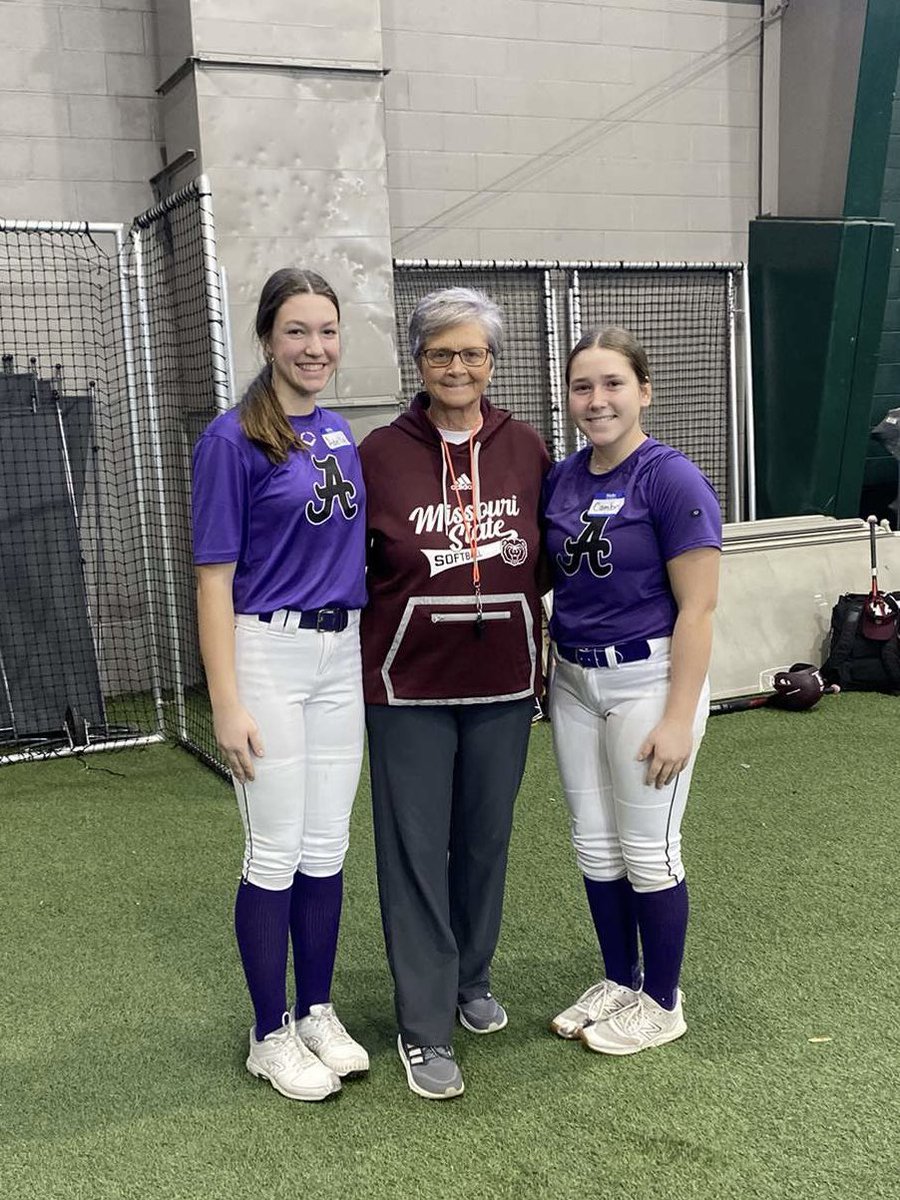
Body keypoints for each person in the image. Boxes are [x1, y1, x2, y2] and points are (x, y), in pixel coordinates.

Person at [360, 287, 550, 1099]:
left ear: (492, 362)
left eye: (472, 352)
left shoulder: (527, 448)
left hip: (503, 683)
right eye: (441, 353)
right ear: (419, 361)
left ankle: (471, 977)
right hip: (406, 687)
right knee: (414, 854)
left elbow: (545, 559)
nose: (457, 367)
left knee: (483, 842)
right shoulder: (378, 453)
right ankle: (425, 1025)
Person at [191, 268, 369, 1102]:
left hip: (342, 653)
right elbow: (213, 582)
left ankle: (316, 1011)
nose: (314, 348)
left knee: (326, 846)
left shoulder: (338, 430)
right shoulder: (231, 440)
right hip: (267, 652)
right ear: (266, 338)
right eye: (297, 331)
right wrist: (226, 701)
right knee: (274, 851)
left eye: (326, 331)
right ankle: (269, 1033)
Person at [542, 326, 721, 1056]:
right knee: (595, 845)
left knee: (649, 851)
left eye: (613, 384)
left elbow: (699, 610)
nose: (597, 400)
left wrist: (678, 717)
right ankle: (621, 978)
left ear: (643, 391)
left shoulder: (671, 478)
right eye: (582, 386)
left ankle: (663, 1002)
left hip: (649, 680)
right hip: (573, 681)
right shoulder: (562, 478)